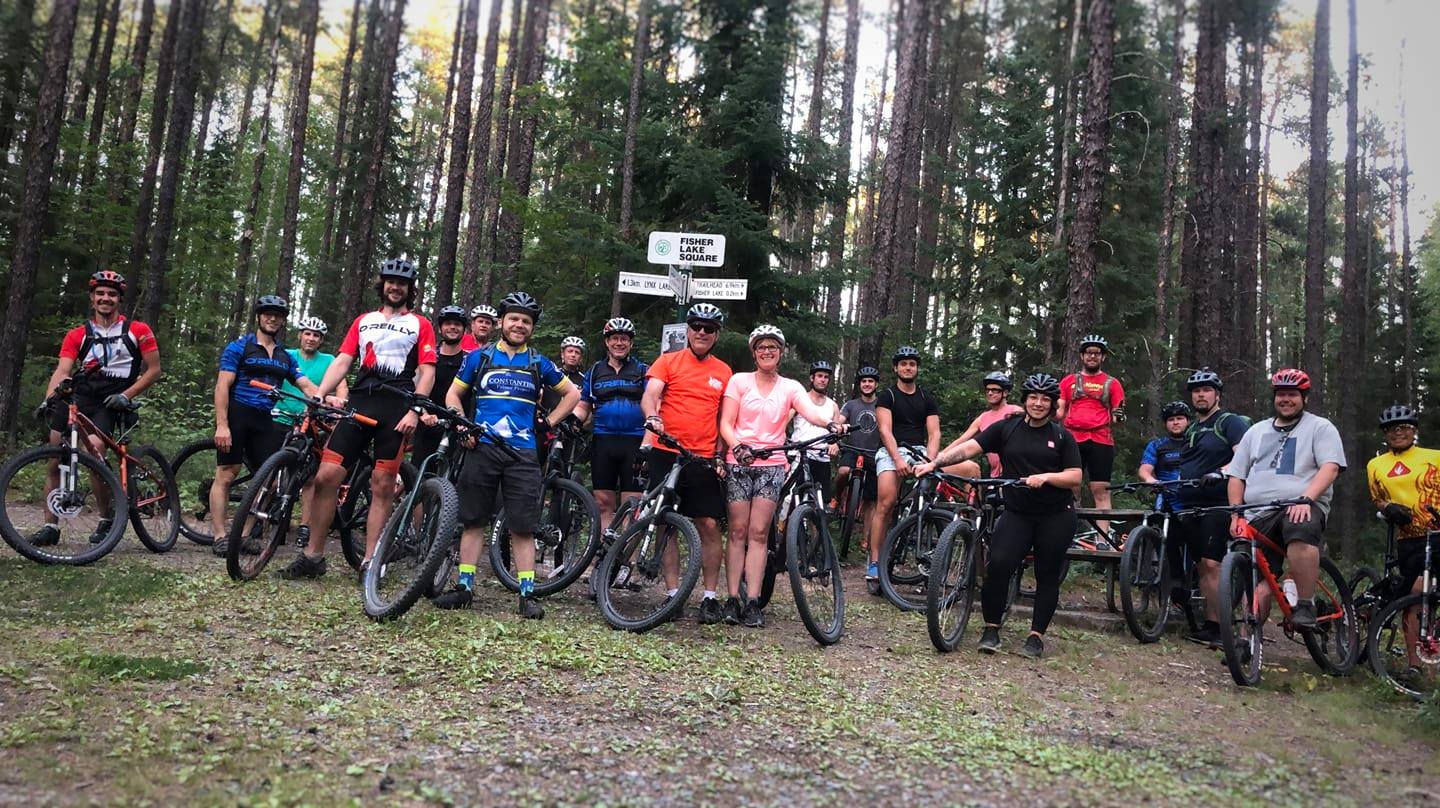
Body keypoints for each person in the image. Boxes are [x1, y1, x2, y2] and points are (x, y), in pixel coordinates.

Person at [285, 258, 438, 580]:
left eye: (402, 283)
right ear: (382, 285)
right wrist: (320, 393)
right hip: (359, 403)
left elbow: (427, 371)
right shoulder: (364, 320)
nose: (395, 287)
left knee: (382, 485)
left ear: (410, 290)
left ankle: (371, 561)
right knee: (327, 476)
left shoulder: (420, 324)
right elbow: (343, 360)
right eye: (390, 282)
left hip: (396, 408)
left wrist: (416, 410)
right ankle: (313, 556)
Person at [913, 373, 1082, 658]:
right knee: (999, 565)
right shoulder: (1007, 428)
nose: (1038, 403)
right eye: (1033, 398)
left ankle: (1036, 635)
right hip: (1017, 511)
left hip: (1056, 514)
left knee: (1047, 573)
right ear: (1025, 400)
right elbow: (971, 447)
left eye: (1045, 399)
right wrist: (936, 462)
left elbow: (1075, 476)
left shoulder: (1062, 436)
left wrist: (1046, 477)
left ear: (1052, 404)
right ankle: (991, 629)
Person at [434, 292, 579, 618]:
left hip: (523, 453)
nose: (519, 325)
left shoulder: (539, 363)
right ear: (502, 322)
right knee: (473, 521)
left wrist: (548, 423)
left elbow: (573, 394)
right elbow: (453, 394)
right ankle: (464, 587)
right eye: (514, 319)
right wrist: (461, 426)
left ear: (531, 328)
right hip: (482, 447)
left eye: (526, 321)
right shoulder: (479, 358)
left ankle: (526, 594)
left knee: (522, 526)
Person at [720, 327, 842, 627]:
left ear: (781, 352)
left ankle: (753, 602)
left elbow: (810, 412)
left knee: (759, 533)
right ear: (753, 351)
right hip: (740, 461)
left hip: (772, 464)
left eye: (773, 346)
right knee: (737, 531)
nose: (767, 351)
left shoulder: (790, 387)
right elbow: (725, 423)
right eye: (761, 346)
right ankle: (732, 597)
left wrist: (831, 423)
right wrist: (737, 446)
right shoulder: (739, 381)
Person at [30, 271, 162, 546]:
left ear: (119, 300)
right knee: (56, 455)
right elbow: (63, 370)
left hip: (112, 400)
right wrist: (49, 399)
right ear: (92, 299)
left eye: (112, 294)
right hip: (79, 396)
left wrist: (126, 395)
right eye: (100, 294)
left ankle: (105, 519)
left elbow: (154, 370)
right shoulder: (78, 335)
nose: (106, 298)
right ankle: (49, 526)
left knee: (95, 449)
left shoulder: (138, 331)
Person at [1225, 369, 1345, 629]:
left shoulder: (1320, 427)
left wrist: (1306, 499)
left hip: (1300, 506)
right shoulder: (1255, 432)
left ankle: (1305, 604)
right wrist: (1237, 514)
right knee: (1256, 576)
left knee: (1298, 528)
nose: (1286, 399)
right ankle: (1248, 641)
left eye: (1292, 394)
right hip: (1259, 513)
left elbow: (1330, 468)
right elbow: (1236, 476)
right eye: (1281, 394)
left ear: (1304, 398)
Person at [641, 302, 733, 624]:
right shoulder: (668, 361)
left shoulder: (724, 372)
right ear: (688, 329)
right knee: (665, 522)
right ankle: (672, 595)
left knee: (707, 525)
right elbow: (651, 393)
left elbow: (725, 418)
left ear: (716, 334)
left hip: (703, 456)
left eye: (709, 328)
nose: (702, 332)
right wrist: (653, 416)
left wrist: (721, 455)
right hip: (666, 451)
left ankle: (709, 597)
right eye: (696, 326)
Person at [211, 296, 321, 555]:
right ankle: (219, 537)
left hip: (265, 418)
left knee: (270, 480)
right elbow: (222, 386)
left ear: (283, 321)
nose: (272, 318)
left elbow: (305, 384)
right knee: (227, 473)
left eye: (278, 315)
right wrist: (222, 425)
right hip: (238, 412)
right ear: (259, 317)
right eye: (267, 314)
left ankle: (244, 534)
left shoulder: (284, 356)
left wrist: (326, 398)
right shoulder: (240, 347)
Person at [1173, 368, 1249, 646]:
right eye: (1196, 391)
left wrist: (1222, 471)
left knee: (1212, 562)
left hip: (1219, 502)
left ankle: (1221, 626)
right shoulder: (1192, 428)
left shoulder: (1230, 422)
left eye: (1206, 390)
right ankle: (1211, 623)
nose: (1200, 394)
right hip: (1190, 501)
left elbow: (1244, 456)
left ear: (1217, 394)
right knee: (1202, 565)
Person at [1366, 404, 1440, 671]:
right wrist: (1388, 508)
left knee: (1426, 593)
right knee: (1414, 598)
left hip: (1438, 530)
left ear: (1414, 430)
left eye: (1403, 428)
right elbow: (1378, 498)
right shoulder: (1376, 464)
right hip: (1409, 537)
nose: (1398, 433)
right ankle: (1414, 666)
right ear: (1385, 434)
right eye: (1391, 429)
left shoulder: (1434, 457)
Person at [867, 346, 941, 593]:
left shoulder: (926, 398)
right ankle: (875, 562)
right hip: (891, 451)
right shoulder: (887, 396)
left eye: (912, 364)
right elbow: (885, 430)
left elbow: (934, 433)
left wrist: (930, 460)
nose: (908, 367)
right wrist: (898, 459)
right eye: (903, 364)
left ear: (917, 368)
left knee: (927, 500)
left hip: (919, 451)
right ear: (896, 368)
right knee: (886, 502)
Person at [272, 316, 346, 552]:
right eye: (307, 333)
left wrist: (339, 402)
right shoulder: (287, 355)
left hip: (312, 420)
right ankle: (263, 518)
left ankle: (305, 526)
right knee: (273, 469)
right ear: (300, 335)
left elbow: (341, 386)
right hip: (281, 416)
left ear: (321, 340)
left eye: (316, 335)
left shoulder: (329, 360)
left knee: (310, 476)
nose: (311, 338)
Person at [574, 318, 648, 537]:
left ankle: (626, 562)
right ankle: (604, 556)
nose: (619, 343)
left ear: (631, 343)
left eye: (624, 339)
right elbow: (584, 404)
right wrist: (574, 420)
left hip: (635, 441)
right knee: (603, 502)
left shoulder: (643, 370)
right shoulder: (595, 371)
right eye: (614, 338)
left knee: (633, 506)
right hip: (603, 440)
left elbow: (653, 403)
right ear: (607, 342)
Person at [1056, 335, 1125, 543]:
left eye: (1096, 353)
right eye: (1088, 353)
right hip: (1072, 438)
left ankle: (1102, 540)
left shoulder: (1112, 383)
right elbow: (1059, 412)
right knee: (1070, 487)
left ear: (1102, 357)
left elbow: (1118, 415)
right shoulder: (1068, 381)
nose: (1092, 356)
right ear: (1082, 356)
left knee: (1100, 490)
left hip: (1101, 440)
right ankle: (1063, 534)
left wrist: (1119, 417)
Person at [410, 306, 471, 467]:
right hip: (428, 423)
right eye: (448, 323)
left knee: (453, 479)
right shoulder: (428, 357)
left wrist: (465, 423)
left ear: (464, 329)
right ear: (440, 328)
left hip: (458, 428)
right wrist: (422, 414)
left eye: (457, 324)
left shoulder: (470, 360)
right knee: (419, 475)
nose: (452, 327)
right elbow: (414, 388)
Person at [832, 366, 881, 555]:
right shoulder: (851, 405)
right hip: (851, 449)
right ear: (859, 384)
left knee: (871, 500)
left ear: (875, 384)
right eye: (864, 381)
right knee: (843, 472)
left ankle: (865, 539)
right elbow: (840, 421)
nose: (867, 384)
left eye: (870, 381)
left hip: (873, 454)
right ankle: (837, 496)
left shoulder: (881, 405)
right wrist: (839, 430)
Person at [950, 372, 1024, 477]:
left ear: (1005, 393)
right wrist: (938, 457)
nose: (990, 393)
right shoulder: (983, 418)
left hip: (1016, 473)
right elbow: (962, 440)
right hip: (995, 476)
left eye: (995, 390)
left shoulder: (1015, 411)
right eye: (988, 390)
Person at [788, 360, 841, 506]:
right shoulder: (799, 400)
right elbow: (783, 421)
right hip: (799, 455)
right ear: (812, 378)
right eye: (819, 376)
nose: (823, 380)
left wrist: (835, 444)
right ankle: (784, 526)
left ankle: (816, 529)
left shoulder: (833, 406)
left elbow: (836, 434)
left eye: (826, 377)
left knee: (820, 503)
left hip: (821, 457)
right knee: (791, 498)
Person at [1137, 401, 1191, 510]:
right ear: (1165, 424)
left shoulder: (1197, 442)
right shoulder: (1156, 445)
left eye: (1179, 418)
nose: (1175, 422)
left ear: (1188, 421)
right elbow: (1144, 470)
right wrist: (1151, 481)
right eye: (1171, 420)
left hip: (1195, 497)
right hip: (1167, 498)